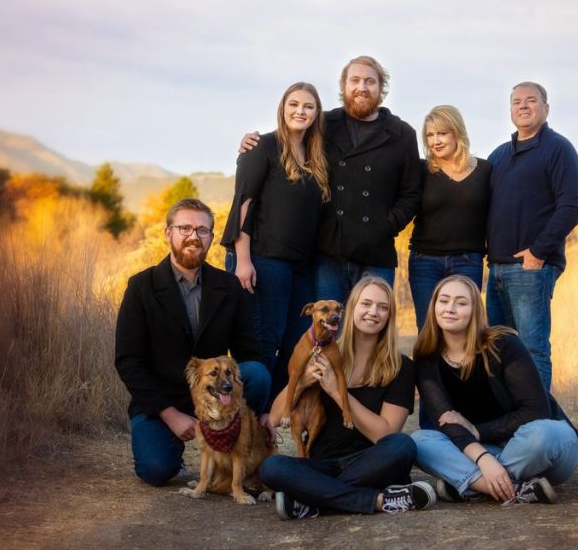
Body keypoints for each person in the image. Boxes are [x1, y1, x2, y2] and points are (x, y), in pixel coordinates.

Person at [240, 55, 423, 305]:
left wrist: (385, 226)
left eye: (370, 81)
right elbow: (289, 140)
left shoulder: (402, 134)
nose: (362, 87)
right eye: (355, 80)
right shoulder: (324, 125)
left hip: (376, 252)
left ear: (381, 88)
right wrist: (253, 140)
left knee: (372, 330)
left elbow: (411, 194)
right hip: (327, 252)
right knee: (328, 336)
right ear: (344, 87)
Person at [114, 198, 272, 487]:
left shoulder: (228, 287)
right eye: (184, 228)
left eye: (202, 230)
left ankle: (235, 448)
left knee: (257, 374)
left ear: (211, 237)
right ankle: (178, 449)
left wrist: (262, 412)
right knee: (156, 470)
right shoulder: (141, 287)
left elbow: (249, 352)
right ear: (168, 233)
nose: (193, 237)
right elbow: (128, 361)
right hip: (163, 401)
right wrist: (171, 415)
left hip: (214, 394)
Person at [259, 276, 437, 518]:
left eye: (382, 307)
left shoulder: (401, 367)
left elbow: (384, 434)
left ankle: (313, 499)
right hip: (321, 464)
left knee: (403, 445)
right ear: (350, 309)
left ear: (389, 316)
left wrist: (335, 390)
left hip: (371, 463)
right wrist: (301, 381)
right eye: (366, 304)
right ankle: (376, 500)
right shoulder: (320, 354)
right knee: (271, 467)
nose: (373, 312)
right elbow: (278, 417)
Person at [411, 275, 578, 505]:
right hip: (479, 451)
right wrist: (484, 456)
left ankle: (470, 483)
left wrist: (477, 432)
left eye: (461, 302)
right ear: (434, 306)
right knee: (420, 441)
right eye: (443, 301)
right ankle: (513, 488)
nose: (450, 309)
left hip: (534, 451)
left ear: (475, 310)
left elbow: (536, 410)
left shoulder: (503, 344)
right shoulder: (426, 357)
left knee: (547, 433)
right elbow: (446, 421)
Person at [220, 82, 331, 401]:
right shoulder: (262, 147)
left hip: (302, 266)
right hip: (263, 260)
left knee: (298, 340)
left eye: (308, 106)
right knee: (263, 342)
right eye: (294, 104)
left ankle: (270, 414)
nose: (301, 111)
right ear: (283, 108)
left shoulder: (316, 156)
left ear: (317, 113)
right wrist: (242, 259)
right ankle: (247, 418)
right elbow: (244, 202)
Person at [486, 81, 578, 393]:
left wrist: (537, 253)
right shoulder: (499, 156)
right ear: (510, 110)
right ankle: (509, 422)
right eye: (517, 102)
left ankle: (538, 422)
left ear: (546, 108)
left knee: (532, 351)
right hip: (497, 271)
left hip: (530, 271)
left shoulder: (558, 149)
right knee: (498, 350)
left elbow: (571, 206)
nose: (523, 106)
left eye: (531, 100)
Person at [408, 105, 491, 332]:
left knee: (464, 328)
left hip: (468, 262)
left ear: (457, 132)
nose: (435, 141)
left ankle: (462, 369)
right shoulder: (421, 170)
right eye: (430, 135)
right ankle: (428, 369)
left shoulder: (485, 170)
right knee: (428, 329)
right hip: (424, 262)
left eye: (441, 133)